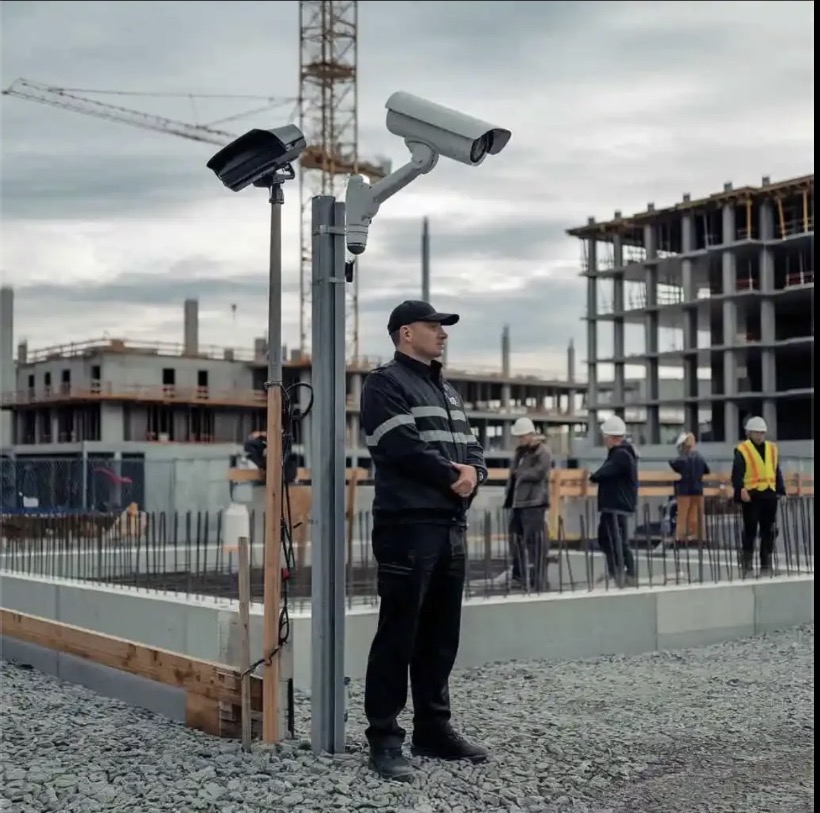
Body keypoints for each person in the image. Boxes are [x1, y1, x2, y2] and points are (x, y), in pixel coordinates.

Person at [360, 299, 490, 781]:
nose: (443, 333)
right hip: (407, 525)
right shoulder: (385, 383)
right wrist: (452, 477)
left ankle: (433, 729)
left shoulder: (446, 390)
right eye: (434, 326)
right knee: (400, 631)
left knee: (440, 635)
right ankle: (385, 739)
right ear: (405, 333)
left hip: (448, 525)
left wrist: (474, 473)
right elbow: (400, 446)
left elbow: (472, 446)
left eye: (444, 327)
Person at [731, 416, 785, 576]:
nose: (760, 436)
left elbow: (776, 471)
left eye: (762, 433)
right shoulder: (743, 449)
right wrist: (741, 490)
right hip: (752, 495)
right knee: (750, 529)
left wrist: (781, 490)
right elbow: (737, 473)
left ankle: (766, 563)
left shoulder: (772, 449)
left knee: (768, 530)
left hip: (769, 494)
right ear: (749, 433)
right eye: (757, 432)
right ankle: (747, 563)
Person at [588, 416, 639, 588]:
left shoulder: (621, 455)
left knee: (618, 541)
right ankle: (616, 571)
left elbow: (602, 473)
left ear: (612, 437)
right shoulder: (620, 453)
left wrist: (593, 476)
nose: (604, 440)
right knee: (606, 538)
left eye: (605, 437)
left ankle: (627, 574)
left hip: (618, 506)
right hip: (613, 505)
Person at [503, 416, 551, 590]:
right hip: (518, 503)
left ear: (531, 434)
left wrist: (521, 473)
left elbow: (539, 473)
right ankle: (519, 577)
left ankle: (539, 580)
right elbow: (514, 474)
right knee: (515, 541)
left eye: (523, 436)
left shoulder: (542, 452)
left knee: (535, 543)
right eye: (519, 437)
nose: (520, 440)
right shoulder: (520, 452)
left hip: (533, 503)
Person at [668, 432, 710, 545]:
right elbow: (707, 470)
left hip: (684, 491)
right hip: (698, 490)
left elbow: (672, 463)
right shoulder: (700, 458)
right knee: (696, 515)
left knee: (682, 515)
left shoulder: (682, 459)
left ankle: (680, 538)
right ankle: (697, 537)